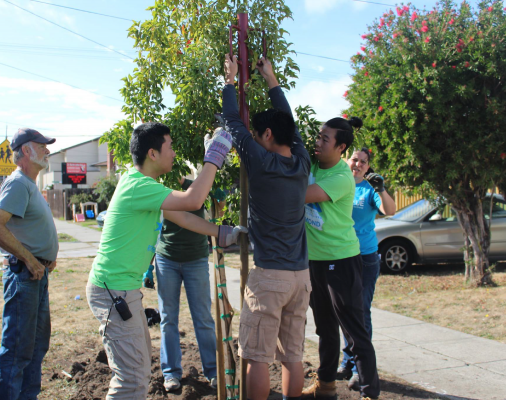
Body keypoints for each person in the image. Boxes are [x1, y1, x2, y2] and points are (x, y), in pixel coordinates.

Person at [86, 122, 246, 400]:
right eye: (170, 147)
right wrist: (215, 155)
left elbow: (183, 216)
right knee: (131, 379)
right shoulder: (138, 186)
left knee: (138, 370)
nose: (174, 153)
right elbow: (195, 199)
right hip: (114, 291)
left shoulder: (142, 185)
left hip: (123, 291)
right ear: (152, 153)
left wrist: (223, 233)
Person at [223, 55, 311, 400]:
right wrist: (271, 79)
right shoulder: (302, 160)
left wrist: (229, 80)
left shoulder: (260, 162)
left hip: (269, 276)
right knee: (293, 354)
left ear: (268, 134)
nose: (254, 139)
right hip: (301, 277)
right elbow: (290, 123)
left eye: (258, 135)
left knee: (257, 357)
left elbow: (232, 121)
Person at [302, 118, 381, 400]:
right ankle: (325, 387)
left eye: (325, 139)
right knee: (325, 328)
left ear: (341, 147)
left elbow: (301, 195)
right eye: (318, 136)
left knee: (354, 332)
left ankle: (370, 393)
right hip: (315, 262)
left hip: (342, 261)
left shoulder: (340, 176)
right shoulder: (311, 165)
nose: (318, 142)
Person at [0, 128, 59, 399]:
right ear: (26, 151)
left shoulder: (30, 184)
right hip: (24, 277)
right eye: (42, 146)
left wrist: (45, 258)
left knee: (37, 347)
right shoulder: (18, 183)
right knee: (17, 349)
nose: (47, 151)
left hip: (36, 276)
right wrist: (30, 259)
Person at [337, 147, 396, 391]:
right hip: (340, 255)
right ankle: (347, 361)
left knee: (361, 311)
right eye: (354, 159)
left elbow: (389, 211)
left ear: (367, 166)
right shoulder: (338, 183)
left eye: (363, 162)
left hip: (365, 258)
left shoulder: (370, 189)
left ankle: (362, 369)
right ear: (346, 159)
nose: (358, 164)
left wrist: (381, 188)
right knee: (343, 311)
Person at [155, 175, 217, 392]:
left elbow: (217, 198)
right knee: (168, 318)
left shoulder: (196, 186)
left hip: (196, 260)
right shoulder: (159, 189)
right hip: (167, 259)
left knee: (203, 318)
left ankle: (213, 371)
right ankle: (171, 373)